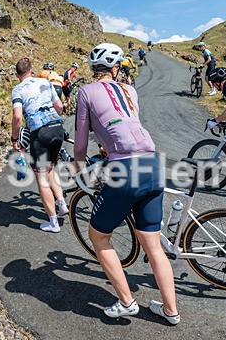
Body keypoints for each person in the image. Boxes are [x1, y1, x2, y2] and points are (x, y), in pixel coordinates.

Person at [72, 42, 179, 324]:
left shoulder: (85, 91)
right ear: (117, 68)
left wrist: (80, 169)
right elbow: (127, 125)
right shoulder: (130, 90)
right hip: (153, 164)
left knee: (98, 237)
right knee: (153, 246)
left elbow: (81, 143)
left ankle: (126, 301)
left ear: (94, 69)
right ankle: (171, 311)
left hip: (124, 170)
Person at [10, 58, 68, 233]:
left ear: (16, 75)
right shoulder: (45, 82)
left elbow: (18, 117)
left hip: (40, 133)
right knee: (49, 168)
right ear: (32, 70)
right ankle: (62, 204)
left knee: (41, 178)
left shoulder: (18, 90)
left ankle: (53, 222)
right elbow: (59, 106)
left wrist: (15, 139)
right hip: (57, 128)